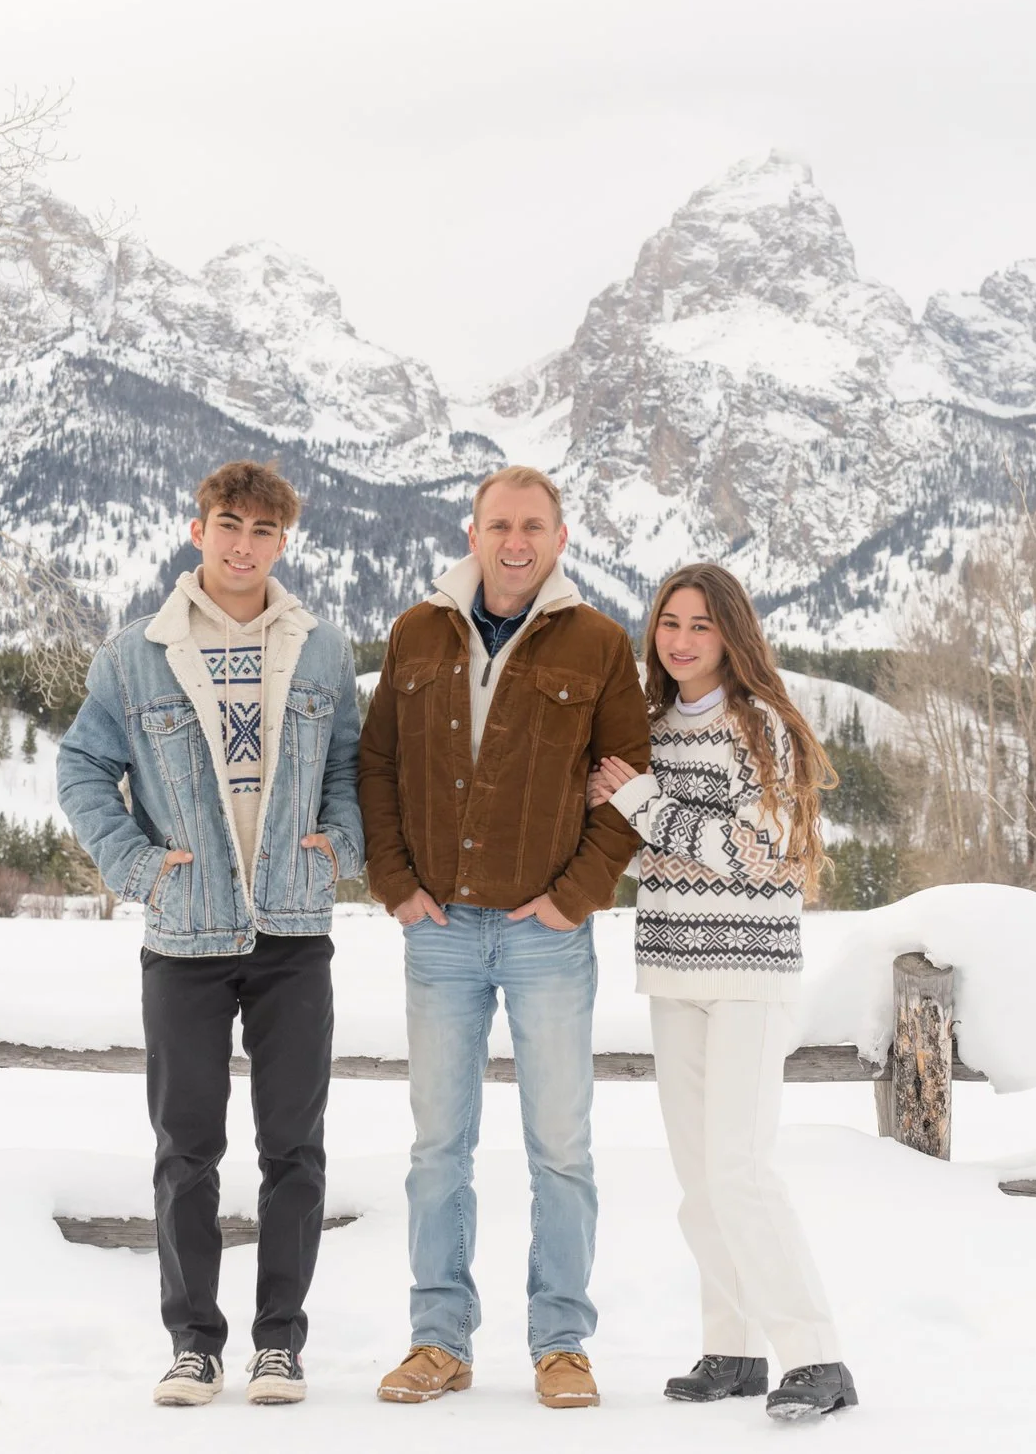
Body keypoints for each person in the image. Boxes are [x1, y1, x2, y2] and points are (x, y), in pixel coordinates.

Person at [56, 460, 364, 1409]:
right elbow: (81, 766)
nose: (243, 544)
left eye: (263, 530)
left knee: (293, 1147)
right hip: (185, 933)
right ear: (199, 530)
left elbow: (350, 765)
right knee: (186, 1148)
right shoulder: (135, 653)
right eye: (229, 524)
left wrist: (341, 843)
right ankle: (193, 1343)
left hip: (292, 927)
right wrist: (137, 864)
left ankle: (280, 1344)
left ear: (284, 541)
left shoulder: (321, 650)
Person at [358, 464, 651, 1411]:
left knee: (560, 1146)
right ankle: (438, 1341)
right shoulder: (417, 630)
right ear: (472, 533)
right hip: (440, 929)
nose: (515, 542)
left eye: (533, 526)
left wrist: (575, 897)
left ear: (559, 539)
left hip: (544, 935)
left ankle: (561, 1343)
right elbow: (377, 764)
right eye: (499, 525)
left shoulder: (598, 642)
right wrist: (396, 884)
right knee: (438, 1146)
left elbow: (630, 785)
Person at [588, 561, 860, 1423]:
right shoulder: (650, 727)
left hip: (749, 971)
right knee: (698, 1178)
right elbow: (646, 844)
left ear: (731, 634)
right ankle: (733, 1346)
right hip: (673, 967)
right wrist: (640, 810)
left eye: (700, 624)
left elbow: (757, 849)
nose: (681, 640)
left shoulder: (762, 727)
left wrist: (643, 804)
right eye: (669, 622)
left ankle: (817, 1355)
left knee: (740, 1168)